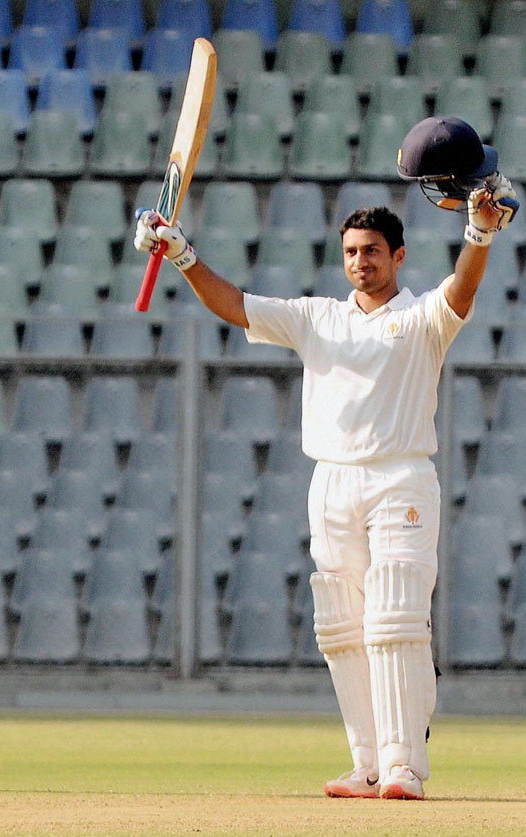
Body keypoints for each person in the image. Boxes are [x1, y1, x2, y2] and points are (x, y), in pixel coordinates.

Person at [134, 117, 519, 801]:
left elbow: (462, 289)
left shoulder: (423, 316)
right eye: (350, 251)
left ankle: (405, 765)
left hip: (401, 474)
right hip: (332, 480)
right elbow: (234, 304)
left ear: (398, 258)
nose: (360, 262)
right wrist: (182, 253)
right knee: (340, 621)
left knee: (396, 618)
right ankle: (368, 761)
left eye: (372, 251)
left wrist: (480, 234)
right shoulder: (317, 317)